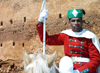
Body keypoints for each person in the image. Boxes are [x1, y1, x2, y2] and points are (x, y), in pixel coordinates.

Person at [36, 9, 100, 73]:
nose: (76, 23)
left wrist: (79, 71)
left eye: (78, 20)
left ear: (82, 22)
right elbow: (47, 39)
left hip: (85, 70)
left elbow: (96, 60)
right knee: (64, 60)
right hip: (67, 68)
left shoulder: (89, 36)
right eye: (73, 21)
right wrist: (40, 22)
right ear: (69, 23)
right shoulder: (65, 35)